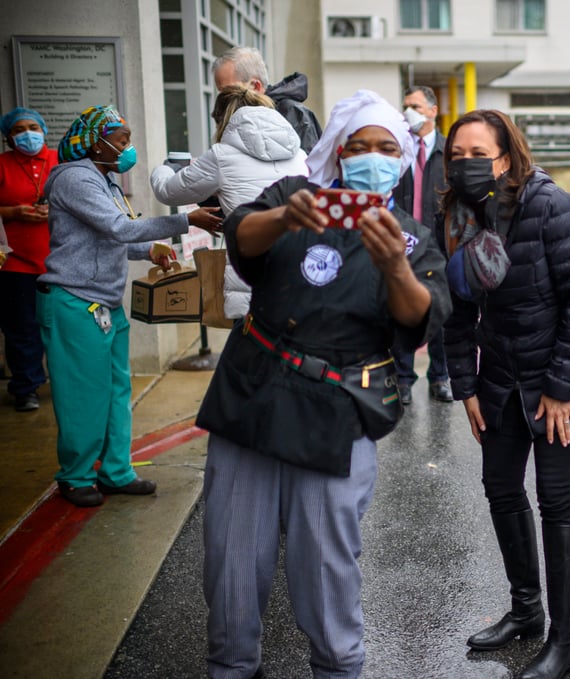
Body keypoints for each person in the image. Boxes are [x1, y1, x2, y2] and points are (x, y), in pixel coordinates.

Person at [194, 89, 450, 679]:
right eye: (357, 146)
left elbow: (421, 316)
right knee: (232, 561)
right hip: (252, 398)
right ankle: (231, 666)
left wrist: (394, 268)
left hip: (336, 413)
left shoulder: (410, 237)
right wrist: (285, 217)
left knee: (325, 566)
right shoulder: (294, 196)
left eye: (386, 147)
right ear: (337, 150)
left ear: (403, 156)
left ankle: (338, 667)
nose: (371, 157)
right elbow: (240, 238)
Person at [442, 109, 570, 679]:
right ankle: (526, 611)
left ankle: (565, 645)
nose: (467, 166)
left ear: (509, 156)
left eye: (479, 154)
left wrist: (562, 389)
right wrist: (466, 385)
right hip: (501, 374)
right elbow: (457, 307)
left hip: (562, 375)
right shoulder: (460, 214)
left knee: (556, 497)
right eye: (456, 156)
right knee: (499, 485)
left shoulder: (552, 207)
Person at [37, 106, 222, 508]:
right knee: (83, 395)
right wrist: (184, 221)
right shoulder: (74, 179)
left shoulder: (107, 181)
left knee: (117, 391)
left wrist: (152, 250)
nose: (128, 147)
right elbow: (118, 228)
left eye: (127, 138)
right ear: (93, 140)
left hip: (103, 302)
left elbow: (120, 236)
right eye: (120, 139)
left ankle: (115, 471)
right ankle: (76, 476)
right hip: (73, 300)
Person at [149, 84, 309, 320]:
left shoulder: (221, 155)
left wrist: (165, 168)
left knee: (250, 349)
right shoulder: (300, 154)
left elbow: (168, 192)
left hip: (251, 279)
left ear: (223, 120)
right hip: (301, 273)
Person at [392, 85, 452, 404]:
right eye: (405, 106)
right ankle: (402, 378)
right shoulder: (397, 149)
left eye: (414, 106)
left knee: (439, 313)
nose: (408, 112)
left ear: (432, 110)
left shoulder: (448, 152)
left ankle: (440, 377)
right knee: (402, 313)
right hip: (404, 245)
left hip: (438, 246)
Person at [0, 107, 58, 412]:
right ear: (8, 137)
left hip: (59, 261)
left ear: (44, 131)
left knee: (62, 327)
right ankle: (26, 387)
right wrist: (12, 212)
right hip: (14, 262)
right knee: (22, 328)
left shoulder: (58, 161)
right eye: (19, 129)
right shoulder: (2, 165)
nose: (28, 134)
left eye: (34, 127)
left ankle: (64, 382)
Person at [212, 46, 323, 153]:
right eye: (221, 92)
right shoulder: (233, 117)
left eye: (229, 91)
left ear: (256, 86)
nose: (223, 100)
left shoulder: (293, 113)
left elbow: (312, 167)